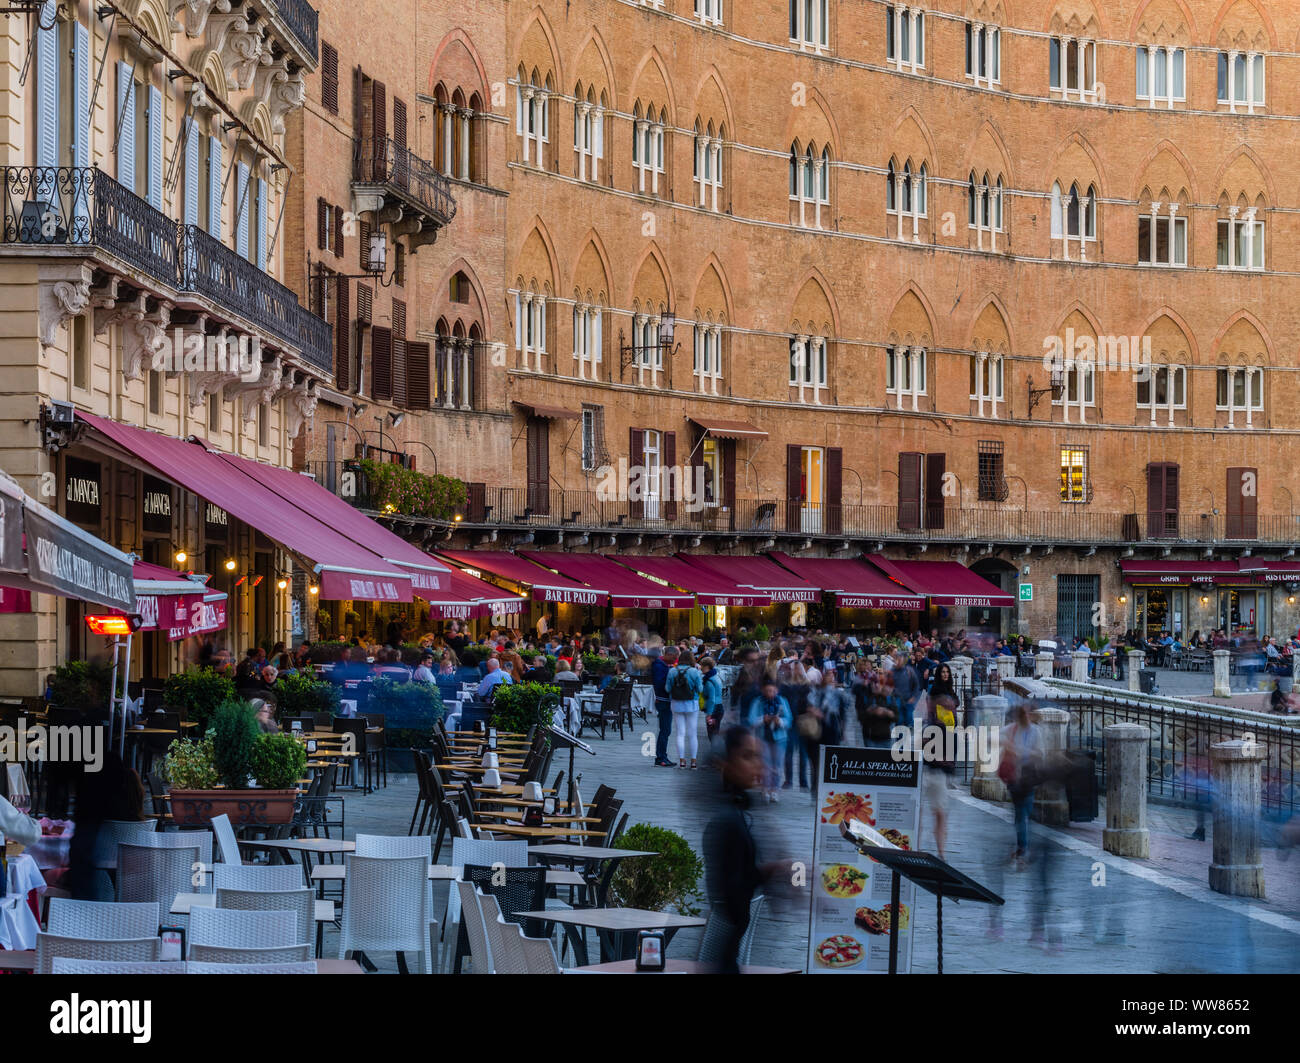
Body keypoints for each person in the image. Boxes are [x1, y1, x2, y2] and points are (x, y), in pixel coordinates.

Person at [702, 727, 774, 974]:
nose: (759, 766)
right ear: (725, 763)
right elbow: (731, 896)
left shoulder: (736, 815)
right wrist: (772, 872)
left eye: (759, 757)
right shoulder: (728, 820)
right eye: (748, 756)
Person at [1000, 702, 1044, 866]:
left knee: (1023, 812)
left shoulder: (1036, 732)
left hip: (1028, 776)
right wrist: (1007, 745)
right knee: (1020, 813)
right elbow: (994, 737)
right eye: (1023, 713)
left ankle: (1022, 847)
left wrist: (1022, 751)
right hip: (1013, 775)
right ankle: (1022, 847)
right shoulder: (1012, 729)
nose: (1025, 716)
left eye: (1028, 714)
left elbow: (1040, 753)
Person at [745, 679, 792, 803]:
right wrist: (762, 719)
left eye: (772, 690)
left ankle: (775, 790)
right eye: (767, 690)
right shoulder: (758, 702)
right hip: (763, 737)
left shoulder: (782, 701)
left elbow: (789, 720)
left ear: (777, 690)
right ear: (763, 690)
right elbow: (751, 720)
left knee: (777, 765)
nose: (770, 693)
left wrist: (780, 721)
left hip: (780, 738)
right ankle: (765, 788)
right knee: (765, 765)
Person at [923, 693, 958, 859]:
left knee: (940, 814)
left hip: (940, 773)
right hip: (931, 771)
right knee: (937, 813)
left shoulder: (947, 724)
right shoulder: (933, 724)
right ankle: (940, 850)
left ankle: (941, 850)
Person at [804, 669, 850, 786]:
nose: (830, 680)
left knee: (831, 762)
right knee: (816, 764)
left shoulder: (839, 695)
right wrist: (812, 710)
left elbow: (843, 715)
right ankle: (816, 789)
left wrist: (843, 731)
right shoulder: (814, 693)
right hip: (815, 731)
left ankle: (828, 788)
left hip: (832, 731)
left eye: (832, 677)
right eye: (828, 677)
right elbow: (803, 707)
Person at [667, 650, 704, 769]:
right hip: (691, 704)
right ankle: (693, 761)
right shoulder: (695, 671)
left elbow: (667, 688)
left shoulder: (672, 671)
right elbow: (700, 689)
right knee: (692, 734)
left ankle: (682, 761)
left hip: (676, 704)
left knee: (680, 733)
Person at [651, 647, 678, 768]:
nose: (675, 659)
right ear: (668, 654)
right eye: (674, 657)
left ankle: (663, 756)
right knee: (665, 730)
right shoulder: (659, 665)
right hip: (663, 700)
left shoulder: (664, 665)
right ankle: (661, 757)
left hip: (665, 700)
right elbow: (660, 683)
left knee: (666, 730)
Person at [700, 656, 724, 740]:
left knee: (712, 735)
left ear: (706, 666)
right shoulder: (715, 676)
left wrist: (709, 714)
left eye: (701, 665)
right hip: (719, 707)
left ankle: (715, 752)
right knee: (715, 733)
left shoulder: (709, 681)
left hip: (714, 709)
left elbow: (711, 699)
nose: (700, 668)